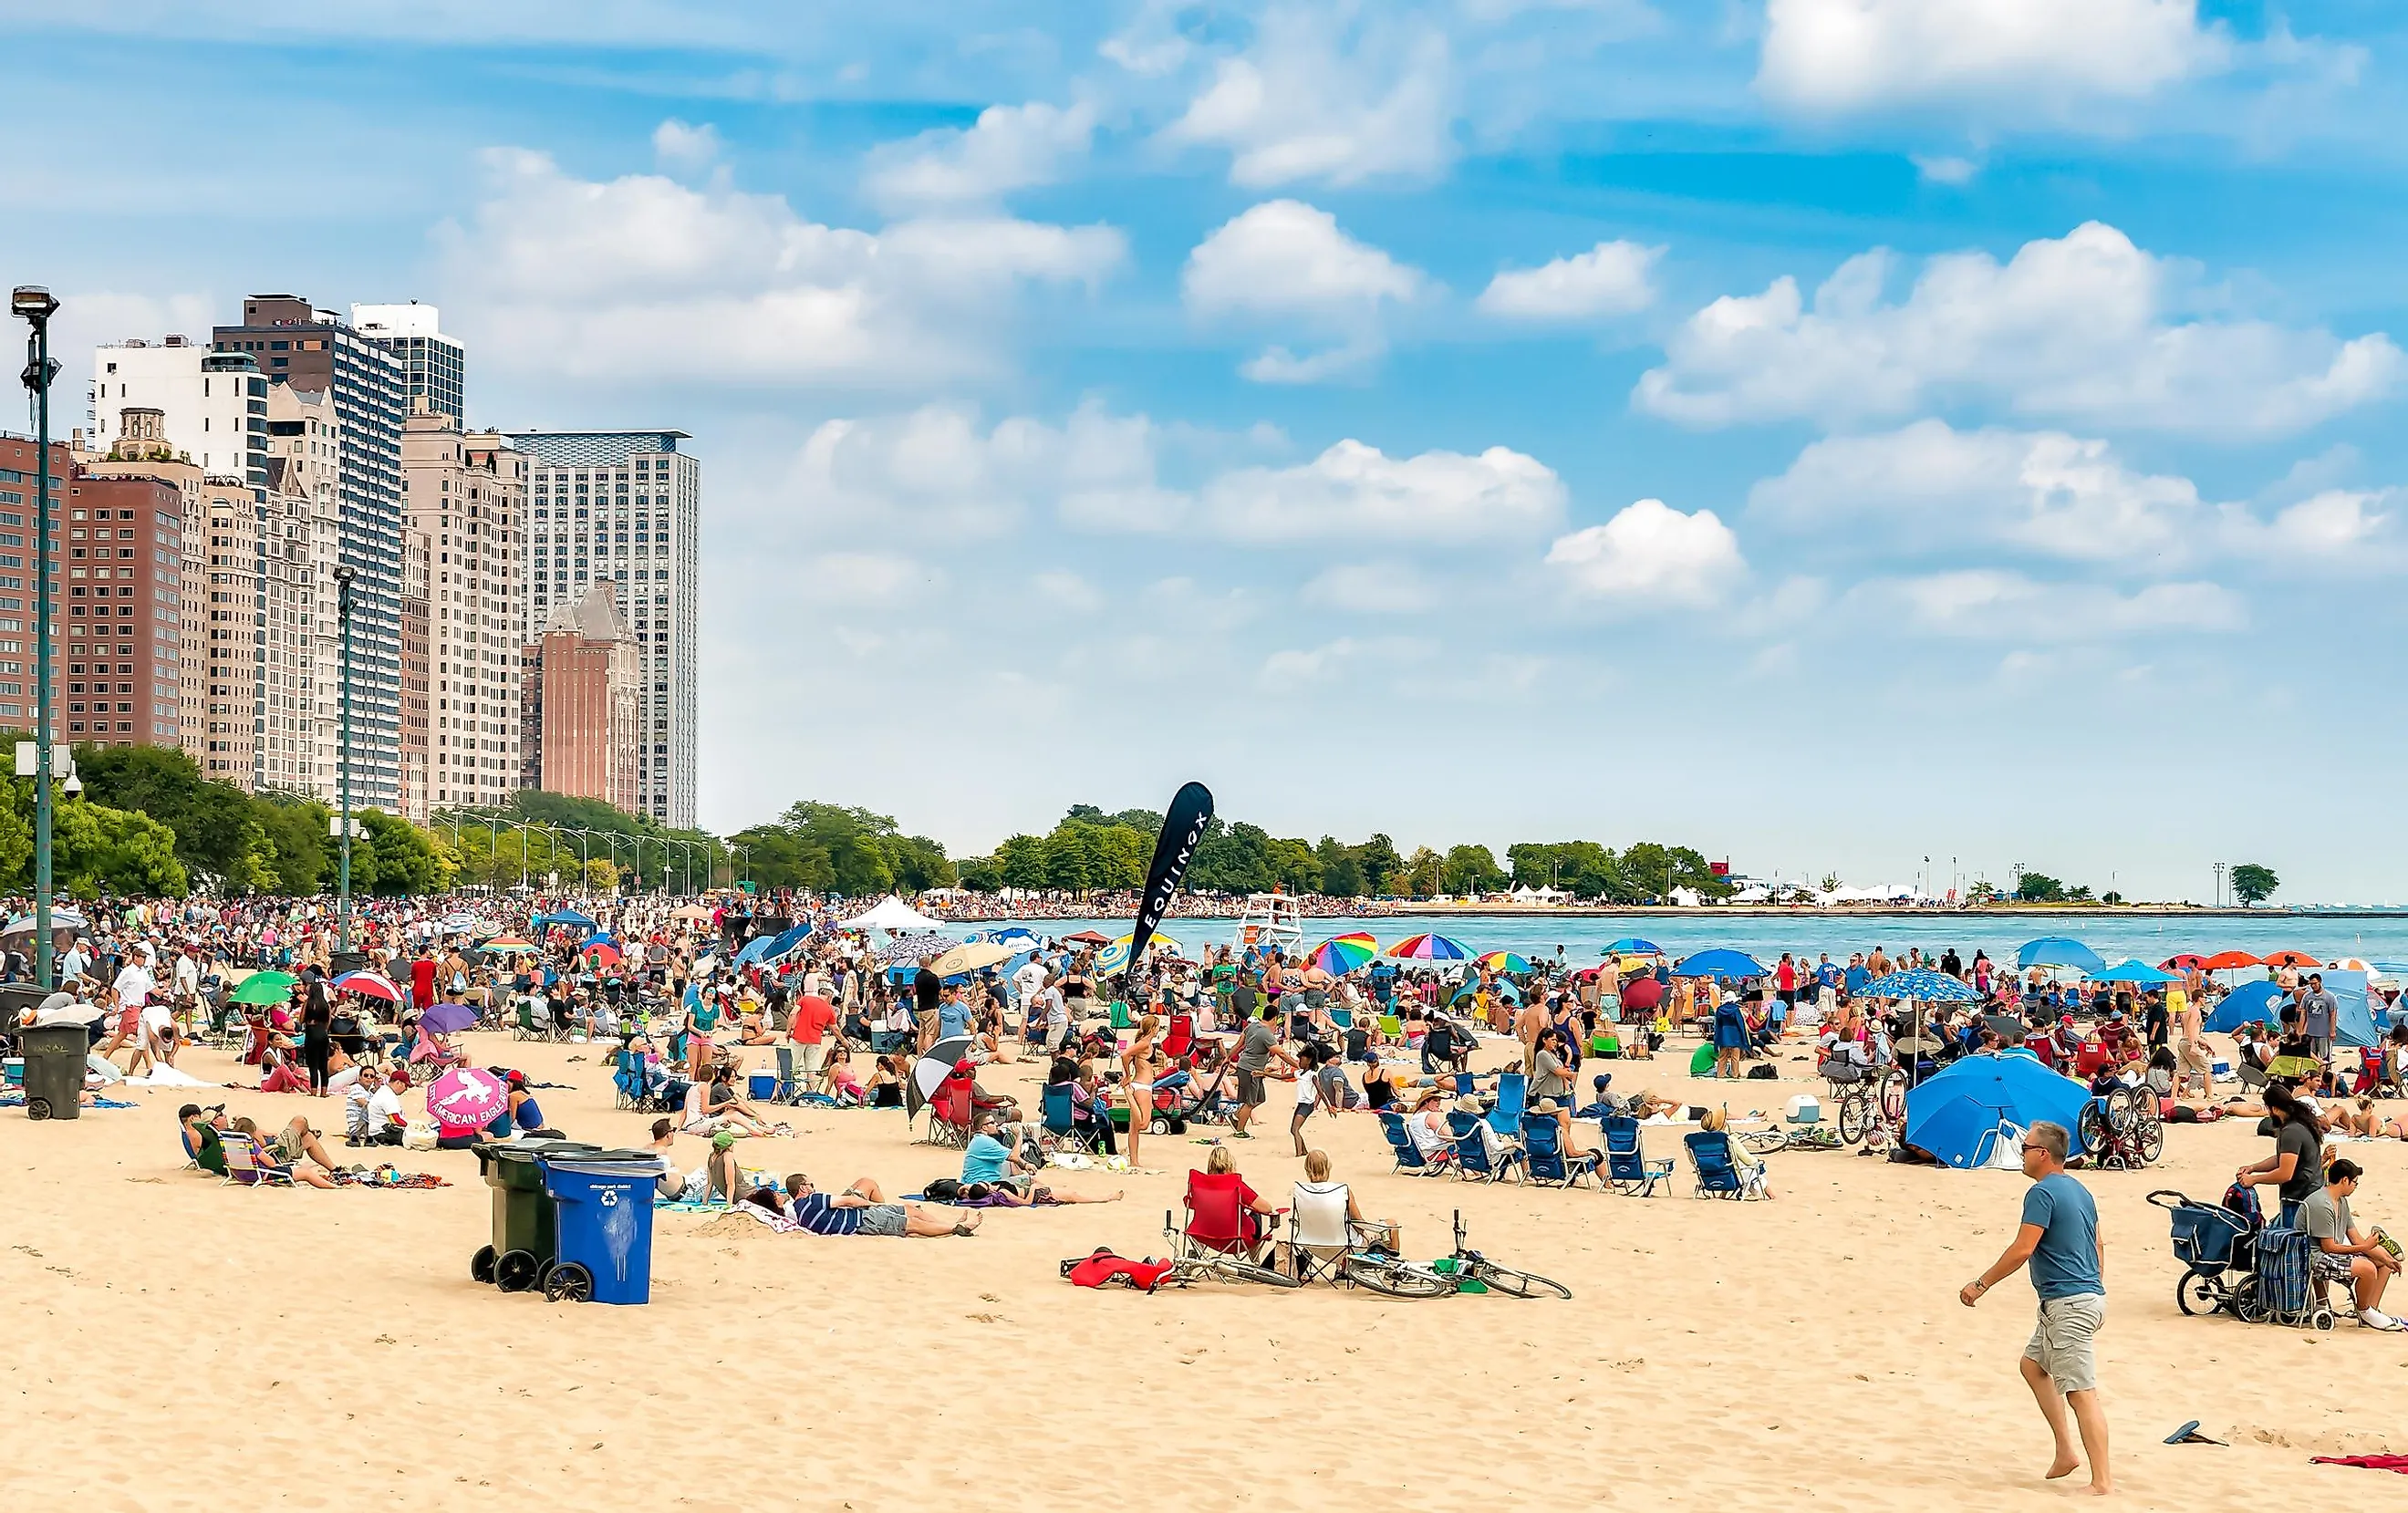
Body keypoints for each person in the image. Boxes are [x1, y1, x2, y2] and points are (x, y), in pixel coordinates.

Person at [1958, 1120, 2109, 1497]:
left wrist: (1981, 1284)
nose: (2020, 1154)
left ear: (2043, 1154)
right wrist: (2095, 1286)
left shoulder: (2043, 1193)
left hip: (2069, 1302)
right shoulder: (2080, 1189)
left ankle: (2102, 1482)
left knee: (2080, 1392)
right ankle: (2065, 1450)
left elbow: (2023, 1248)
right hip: (2080, 1299)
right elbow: (2100, 1244)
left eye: (2025, 1147)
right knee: (2033, 1366)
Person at [2304, 1157, 2403, 1331]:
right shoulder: (2322, 1203)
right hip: (2317, 1257)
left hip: (2331, 1253)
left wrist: (2388, 1259)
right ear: (2344, 1180)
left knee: (2382, 1262)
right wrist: (2365, 1248)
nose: (2355, 1187)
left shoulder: (2341, 1202)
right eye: (2354, 1183)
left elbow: (2355, 1238)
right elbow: (2327, 1247)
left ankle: (2370, 1309)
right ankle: (2364, 1311)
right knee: (2368, 1268)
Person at [784, 1172, 979, 1238]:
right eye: (810, 1185)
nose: (813, 1187)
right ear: (802, 1188)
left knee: (910, 1211)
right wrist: (871, 1205)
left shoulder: (800, 1211)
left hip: (857, 1219)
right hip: (862, 1220)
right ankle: (956, 1228)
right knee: (910, 1222)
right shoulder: (812, 1200)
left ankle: (945, 1225)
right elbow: (848, 1201)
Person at [2237, 1082, 2324, 1227]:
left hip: (2300, 1198)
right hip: (2312, 1194)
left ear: (2275, 1109)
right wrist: (2253, 1168)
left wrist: (2254, 1180)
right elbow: (2284, 1158)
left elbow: (2285, 1173)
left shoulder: (2291, 1131)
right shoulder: (2301, 1124)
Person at [1232, 1001, 1293, 1142]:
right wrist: (1298, 1065)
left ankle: (1238, 1115)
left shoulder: (1251, 1026)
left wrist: (1228, 1058)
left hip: (1250, 1068)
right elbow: (1282, 1054)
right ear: (1274, 1019)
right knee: (1250, 1101)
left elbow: (1239, 1044)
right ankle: (1239, 1131)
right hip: (1251, 1069)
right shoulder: (1266, 1034)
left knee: (1260, 1098)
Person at [961, 1114, 1033, 1192]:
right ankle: (1024, 1182)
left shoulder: (979, 1139)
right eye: (992, 1122)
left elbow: (1010, 1156)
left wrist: (1026, 1164)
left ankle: (1021, 1178)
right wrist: (1019, 1135)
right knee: (1033, 1181)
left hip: (973, 1182)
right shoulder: (986, 1141)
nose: (996, 1124)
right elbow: (1014, 1156)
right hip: (984, 1185)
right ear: (984, 1127)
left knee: (1008, 1160)